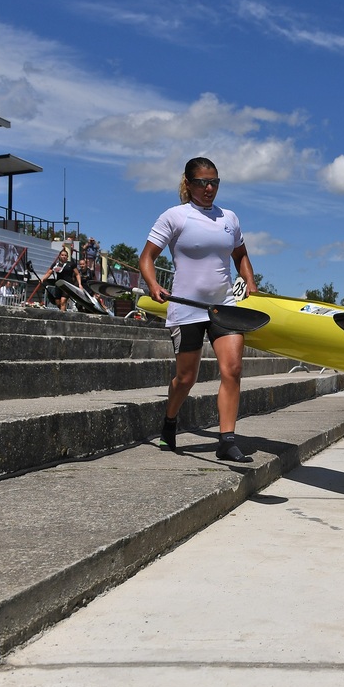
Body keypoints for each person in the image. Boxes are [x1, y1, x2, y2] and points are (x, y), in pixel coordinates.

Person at [140, 157, 258, 463]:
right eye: (203, 182)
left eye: (215, 182)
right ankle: (169, 422)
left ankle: (227, 440)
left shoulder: (229, 218)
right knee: (186, 378)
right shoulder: (175, 217)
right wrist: (154, 285)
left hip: (223, 306)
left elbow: (240, 255)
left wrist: (250, 280)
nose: (209, 188)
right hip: (185, 307)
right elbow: (146, 259)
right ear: (189, 184)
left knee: (232, 370)